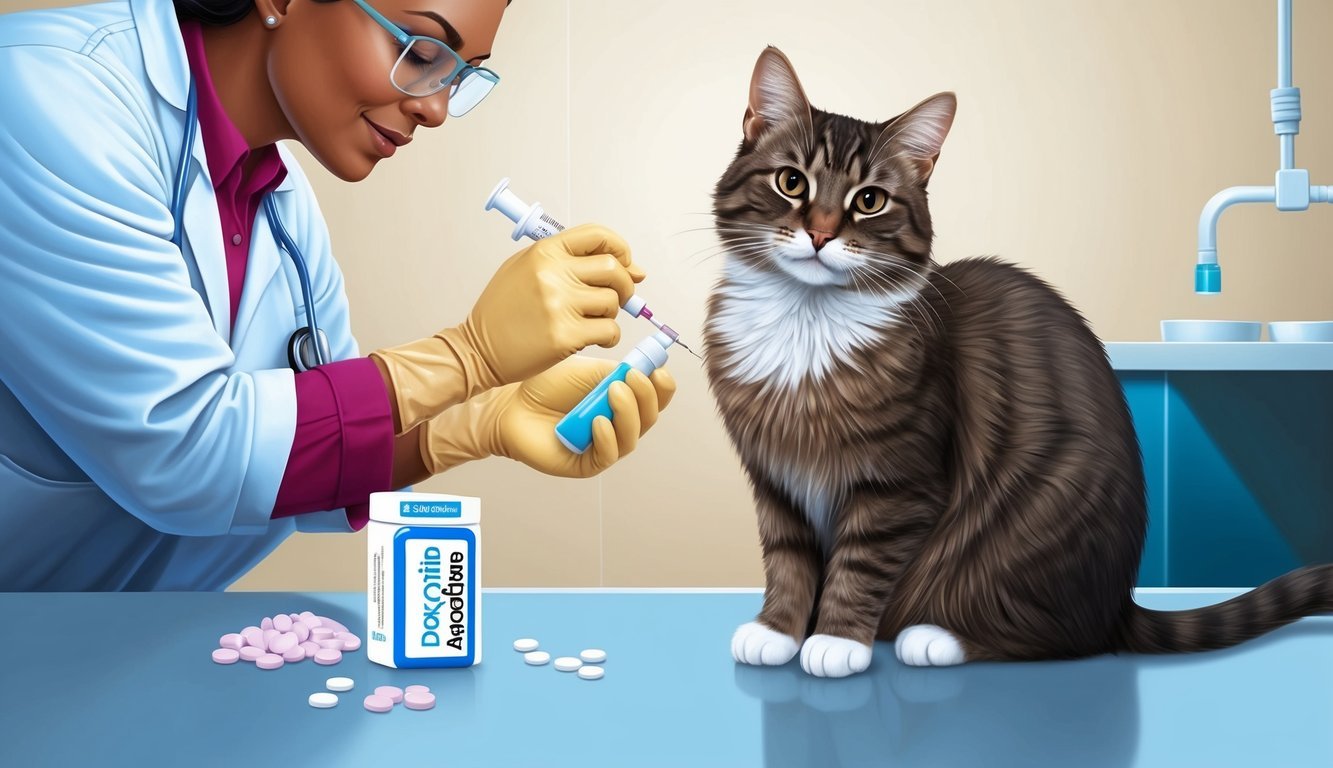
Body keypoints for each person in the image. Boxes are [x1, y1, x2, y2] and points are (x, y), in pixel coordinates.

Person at [0, 0, 675, 591]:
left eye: (459, 74)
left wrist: (471, 427)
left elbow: (302, 460)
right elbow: (185, 455)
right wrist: (468, 358)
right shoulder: (45, 98)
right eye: (419, 50)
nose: (435, 107)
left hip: (102, 659)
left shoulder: (280, 200)